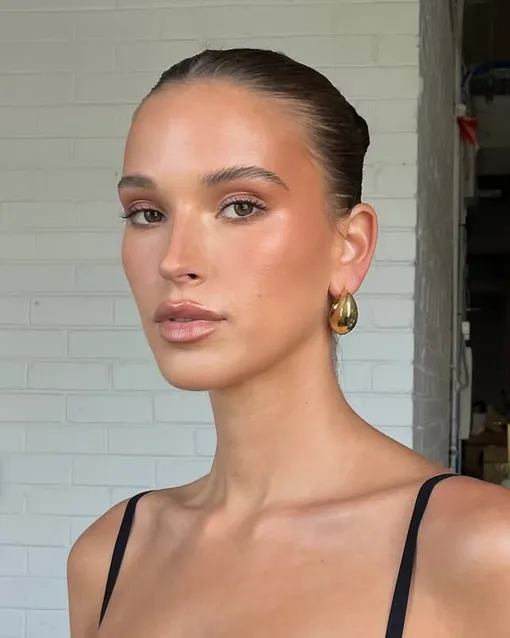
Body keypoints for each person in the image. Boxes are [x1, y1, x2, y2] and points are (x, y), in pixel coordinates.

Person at [67, 48, 510, 638]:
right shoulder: (107, 556)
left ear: (349, 247)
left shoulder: (480, 552)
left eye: (240, 206)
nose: (174, 260)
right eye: (147, 214)